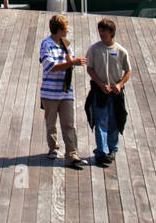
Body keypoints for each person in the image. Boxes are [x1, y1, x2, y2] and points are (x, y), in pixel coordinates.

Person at [38, 13, 86, 170]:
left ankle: (72, 154)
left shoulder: (66, 44)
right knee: (51, 123)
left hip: (65, 91)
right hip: (50, 92)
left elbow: (68, 63)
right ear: (58, 29)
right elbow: (49, 66)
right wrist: (71, 62)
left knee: (69, 123)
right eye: (65, 28)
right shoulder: (46, 44)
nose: (67, 31)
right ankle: (53, 148)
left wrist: (73, 63)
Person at [86, 18, 130, 166]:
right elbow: (90, 69)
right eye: (100, 30)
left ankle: (112, 149)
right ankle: (101, 151)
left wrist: (120, 84)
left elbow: (128, 70)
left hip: (115, 92)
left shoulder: (120, 50)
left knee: (115, 121)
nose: (101, 33)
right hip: (100, 91)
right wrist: (100, 84)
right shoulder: (94, 49)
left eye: (104, 30)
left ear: (111, 32)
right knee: (100, 121)